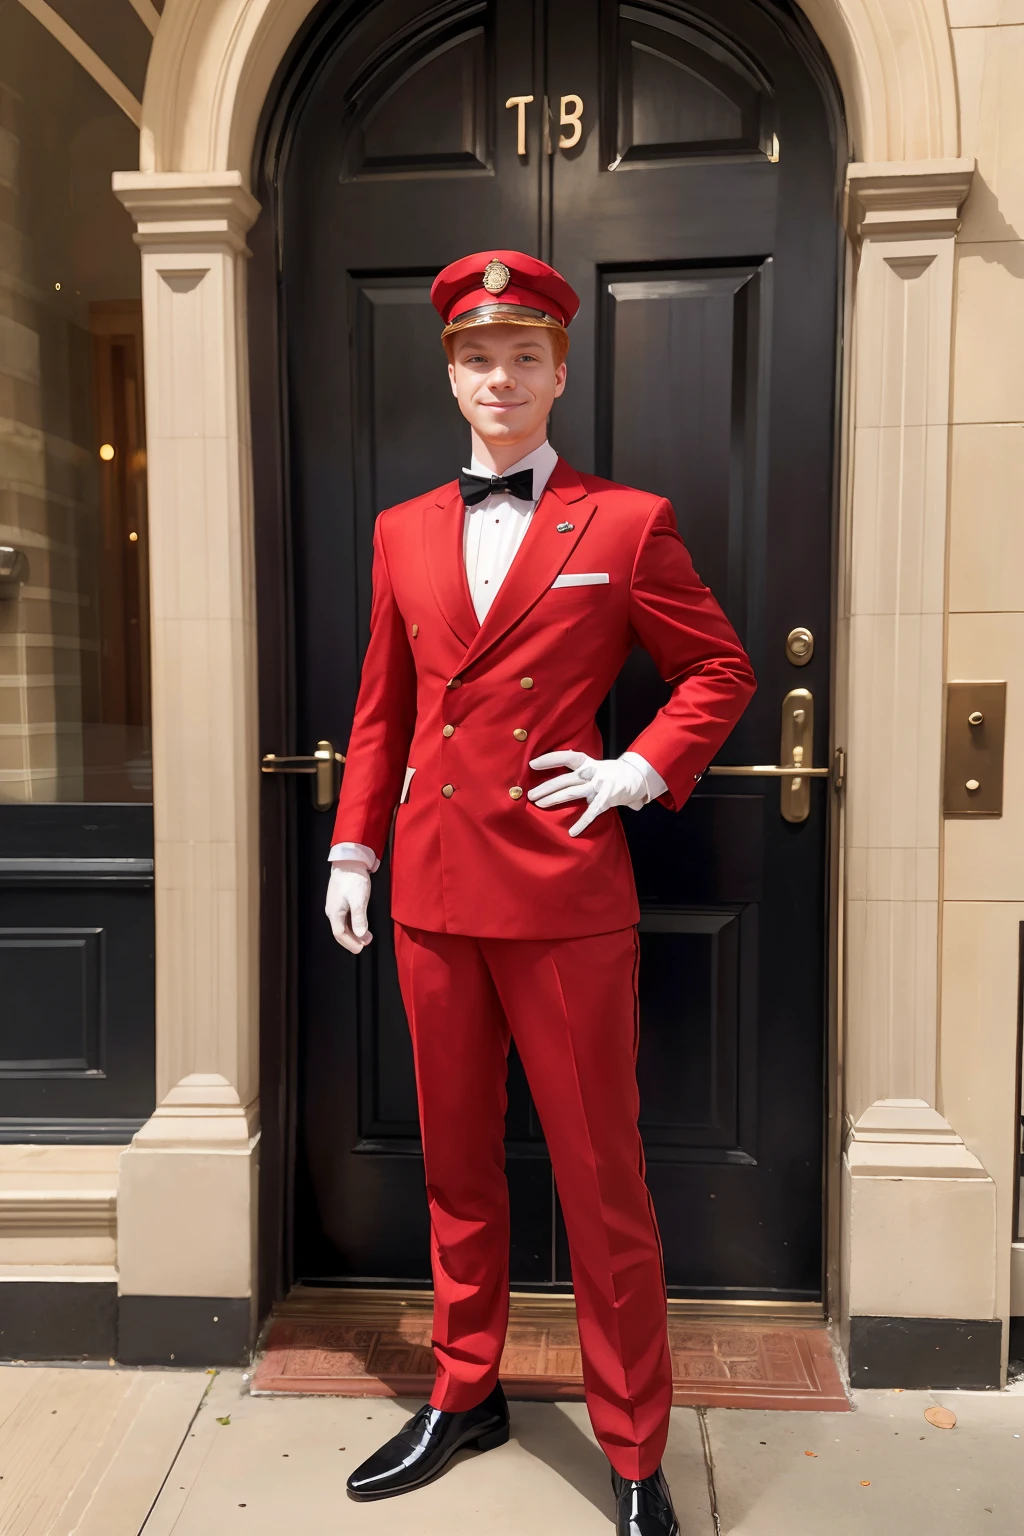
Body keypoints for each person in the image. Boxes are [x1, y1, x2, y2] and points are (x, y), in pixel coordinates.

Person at [326, 250, 755, 1535]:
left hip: (566, 896)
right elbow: (382, 706)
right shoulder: (402, 529)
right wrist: (355, 849)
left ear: (560, 373)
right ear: (449, 375)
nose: (498, 378)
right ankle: (466, 1391)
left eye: (522, 357)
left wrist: (635, 771)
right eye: (475, 357)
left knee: (599, 1179)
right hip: (434, 895)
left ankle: (632, 1446)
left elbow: (719, 670)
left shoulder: (624, 524)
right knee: (458, 1169)